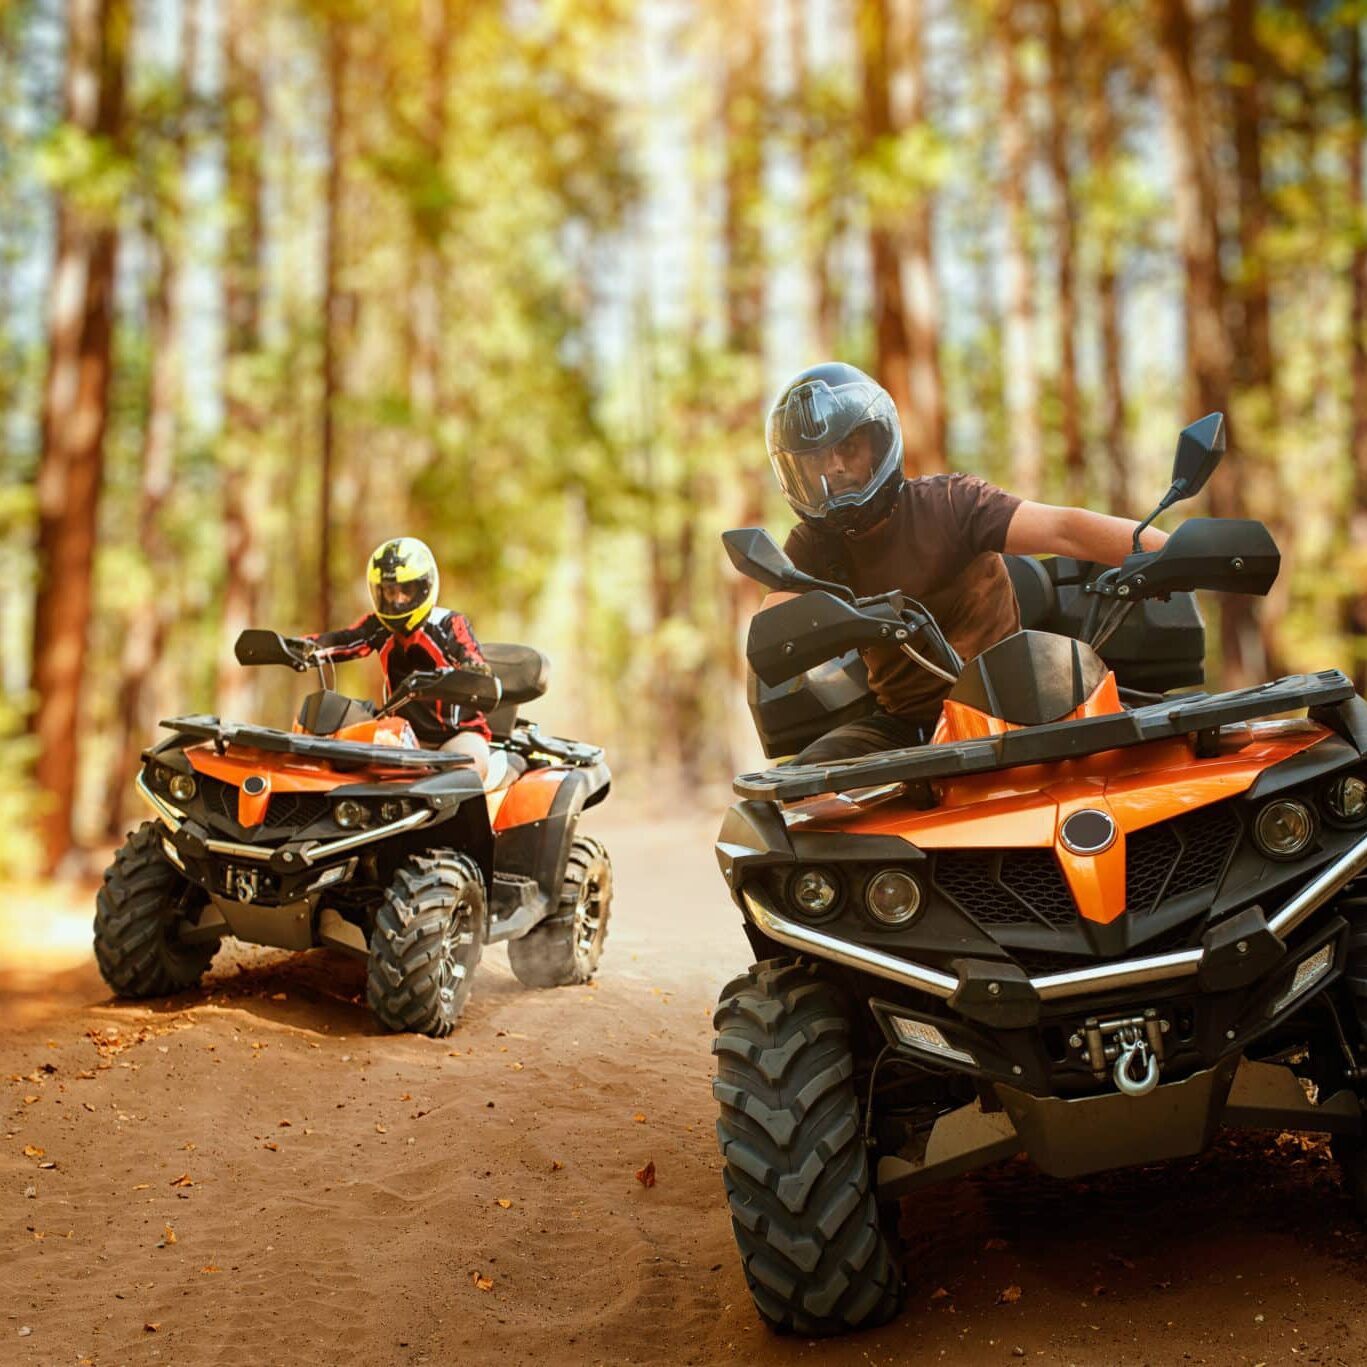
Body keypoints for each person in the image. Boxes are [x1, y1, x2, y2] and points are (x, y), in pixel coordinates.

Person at [761, 362, 1170, 764]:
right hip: (909, 726)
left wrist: (1173, 551)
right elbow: (772, 629)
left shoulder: (952, 503)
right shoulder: (813, 545)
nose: (834, 466)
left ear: (877, 440)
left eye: (847, 447)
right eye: (815, 458)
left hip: (1019, 702)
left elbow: (1064, 528)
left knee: (1162, 754)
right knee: (802, 799)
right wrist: (838, 620)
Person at [291, 537, 493, 777]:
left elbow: (473, 659)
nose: (397, 600)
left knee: (463, 771)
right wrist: (292, 647)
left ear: (424, 588)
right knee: (347, 761)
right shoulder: (378, 627)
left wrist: (472, 671)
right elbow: (342, 641)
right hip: (401, 735)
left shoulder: (448, 624)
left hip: (457, 735)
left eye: (406, 591)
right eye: (389, 591)